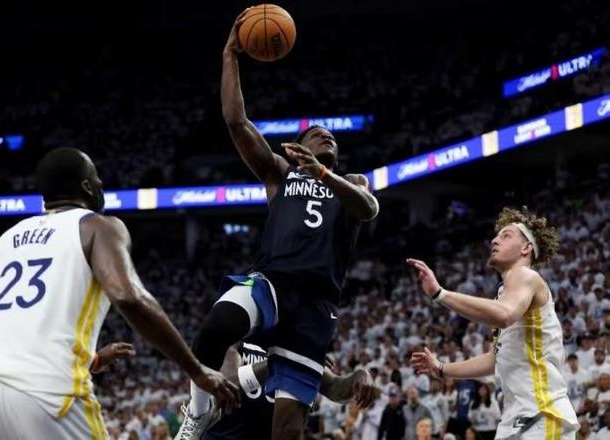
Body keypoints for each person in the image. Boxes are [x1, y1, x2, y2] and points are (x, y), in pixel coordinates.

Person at [178, 10, 379, 440]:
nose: (326, 135)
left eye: (331, 136)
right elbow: (237, 122)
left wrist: (323, 174)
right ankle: (198, 414)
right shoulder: (279, 175)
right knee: (216, 328)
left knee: (287, 431)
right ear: (297, 148)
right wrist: (230, 56)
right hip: (272, 282)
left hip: (315, 306)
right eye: (316, 133)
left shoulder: (352, 183)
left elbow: (368, 210)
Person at [0, 147, 239, 439]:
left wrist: (93, 360)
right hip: (48, 394)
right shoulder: (97, 226)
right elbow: (128, 297)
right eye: (97, 177)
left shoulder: (6, 240)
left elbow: (20, 326)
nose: (101, 184)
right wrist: (196, 370)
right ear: (87, 186)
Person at [409, 206, 579, 439]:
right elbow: (494, 359)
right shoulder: (504, 295)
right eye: (497, 236)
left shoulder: (525, 275)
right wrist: (441, 369)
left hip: (542, 413)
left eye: (506, 235)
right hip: (518, 419)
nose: (494, 240)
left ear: (526, 248)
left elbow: (505, 314)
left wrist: (441, 294)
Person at [205, 344, 379, 440]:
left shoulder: (298, 349)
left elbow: (336, 389)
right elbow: (230, 382)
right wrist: (283, 361)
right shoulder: (238, 340)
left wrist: (360, 375)